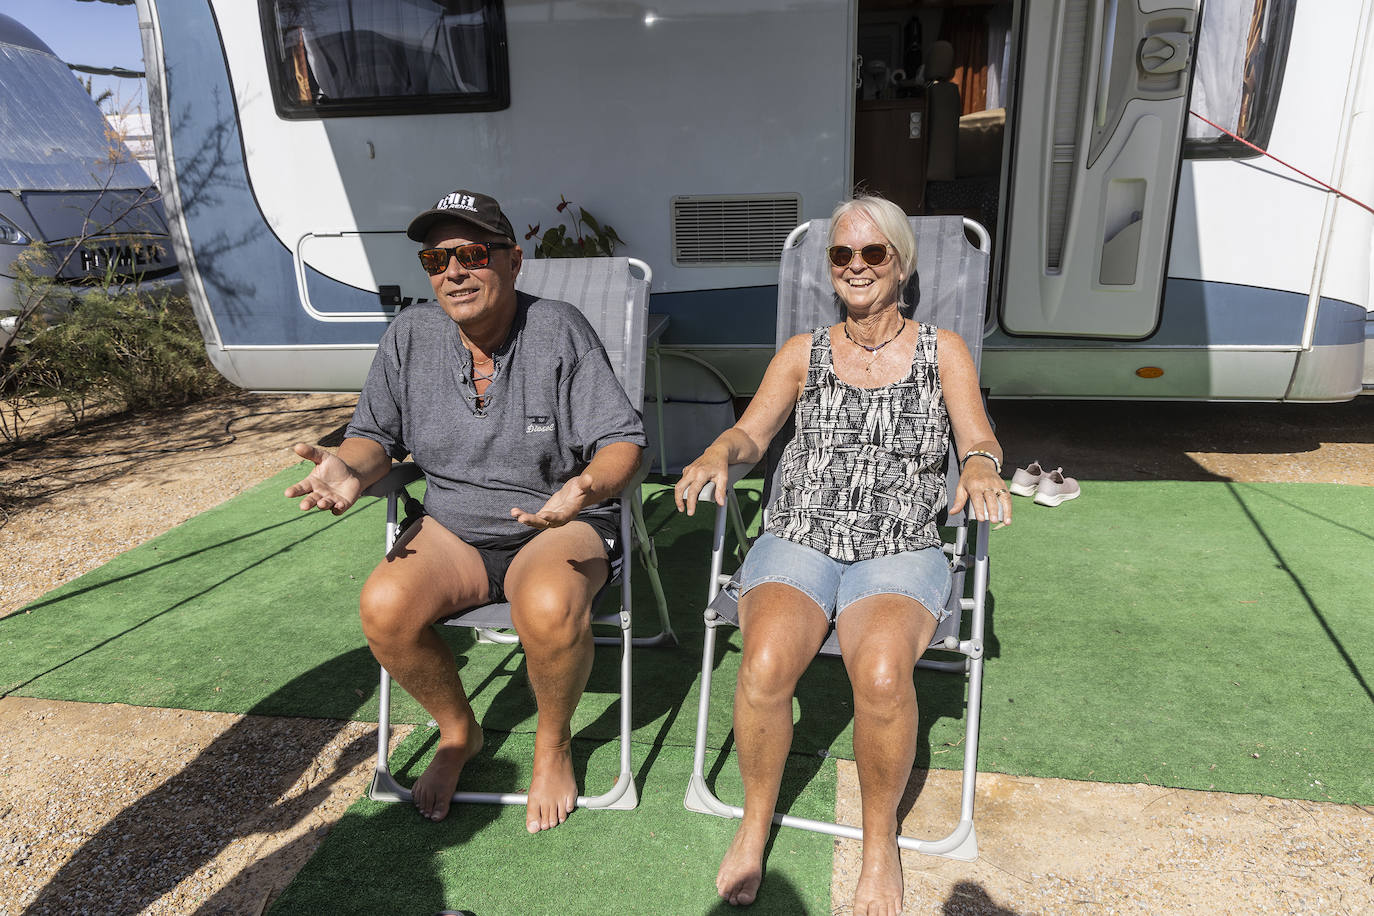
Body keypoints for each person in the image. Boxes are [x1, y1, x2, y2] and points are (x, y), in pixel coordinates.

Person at [674, 195, 1009, 915]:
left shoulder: (940, 349)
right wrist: (716, 453)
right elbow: (752, 434)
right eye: (841, 255)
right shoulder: (803, 352)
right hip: (798, 538)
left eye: (873, 253)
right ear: (829, 269)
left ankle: (878, 841)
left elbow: (978, 435)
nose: (856, 267)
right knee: (763, 664)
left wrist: (979, 465)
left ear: (900, 262)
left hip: (899, 546)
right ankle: (755, 818)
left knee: (884, 675)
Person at [285, 189, 645, 833]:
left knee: (547, 607)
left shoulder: (558, 328)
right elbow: (375, 438)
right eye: (437, 259)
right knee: (385, 608)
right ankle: (458, 733)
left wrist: (584, 489)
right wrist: (347, 466)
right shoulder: (411, 336)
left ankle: (552, 745)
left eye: (473, 254)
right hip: (456, 530)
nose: (453, 271)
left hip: (556, 522)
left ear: (513, 261)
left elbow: (622, 441)